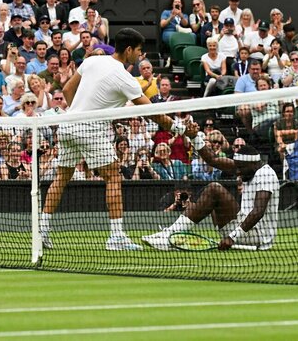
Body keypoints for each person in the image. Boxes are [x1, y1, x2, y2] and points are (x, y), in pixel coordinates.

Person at [40, 28, 189, 251]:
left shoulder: (92, 61)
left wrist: (79, 110)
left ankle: (42, 231)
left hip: (68, 125)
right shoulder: (124, 78)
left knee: (61, 177)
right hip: (90, 130)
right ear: (128, 50)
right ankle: (116, 237)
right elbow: (153, 112)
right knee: (113, 176)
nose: (140, 57)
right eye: (138, 51)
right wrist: (177, 127)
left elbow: (68, 88)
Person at [142, 139, 280, 252]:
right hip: (242, 229)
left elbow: (258, 212)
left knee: (215, 189)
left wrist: (232, 237)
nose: (237, 172)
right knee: (213, 191)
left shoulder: (265, 174)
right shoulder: (247, 167)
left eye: (240, 168)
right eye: (236, 167)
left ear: (253, 164)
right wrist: (195, 137)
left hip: (256, 236)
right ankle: (170, 234)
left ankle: (169, 236)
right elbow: (212, 160)